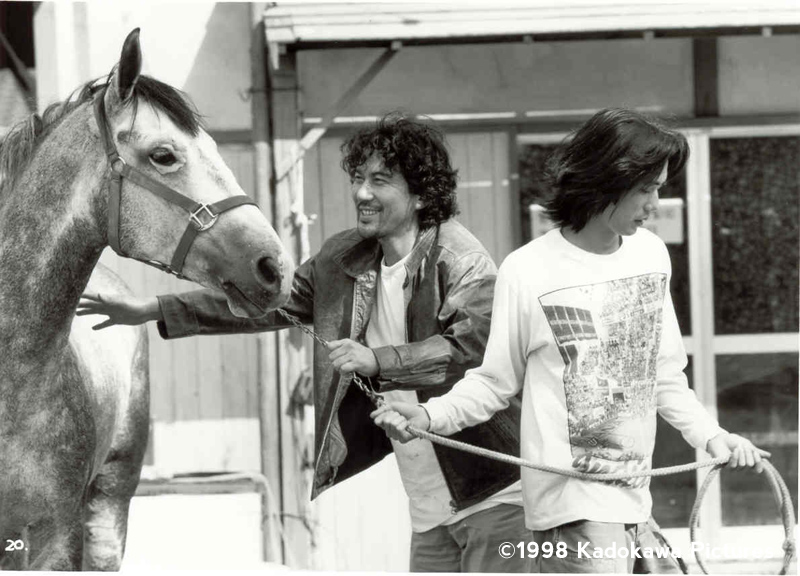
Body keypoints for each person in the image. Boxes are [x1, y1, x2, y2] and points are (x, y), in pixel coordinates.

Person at [78, 113, 532, 572]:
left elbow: (471, 351)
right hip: (429, 505)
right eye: (357, 178)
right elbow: (271, 303)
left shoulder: (461, 259)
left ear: (420, 195)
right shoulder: (344, 257)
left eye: (379, 181)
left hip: (497, 494)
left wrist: (378, 360)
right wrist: (154, 308)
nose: (362, 193)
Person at [372, 108, 770, 574]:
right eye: (646, 188)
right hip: (570, 508)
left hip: (634, 502)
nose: (655, 204)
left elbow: (663, 378)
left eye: (659, 188)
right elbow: (494, 383)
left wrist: (713, 436)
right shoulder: (528, 269)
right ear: (607, 180)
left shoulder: (651, 255)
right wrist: (429, 415)